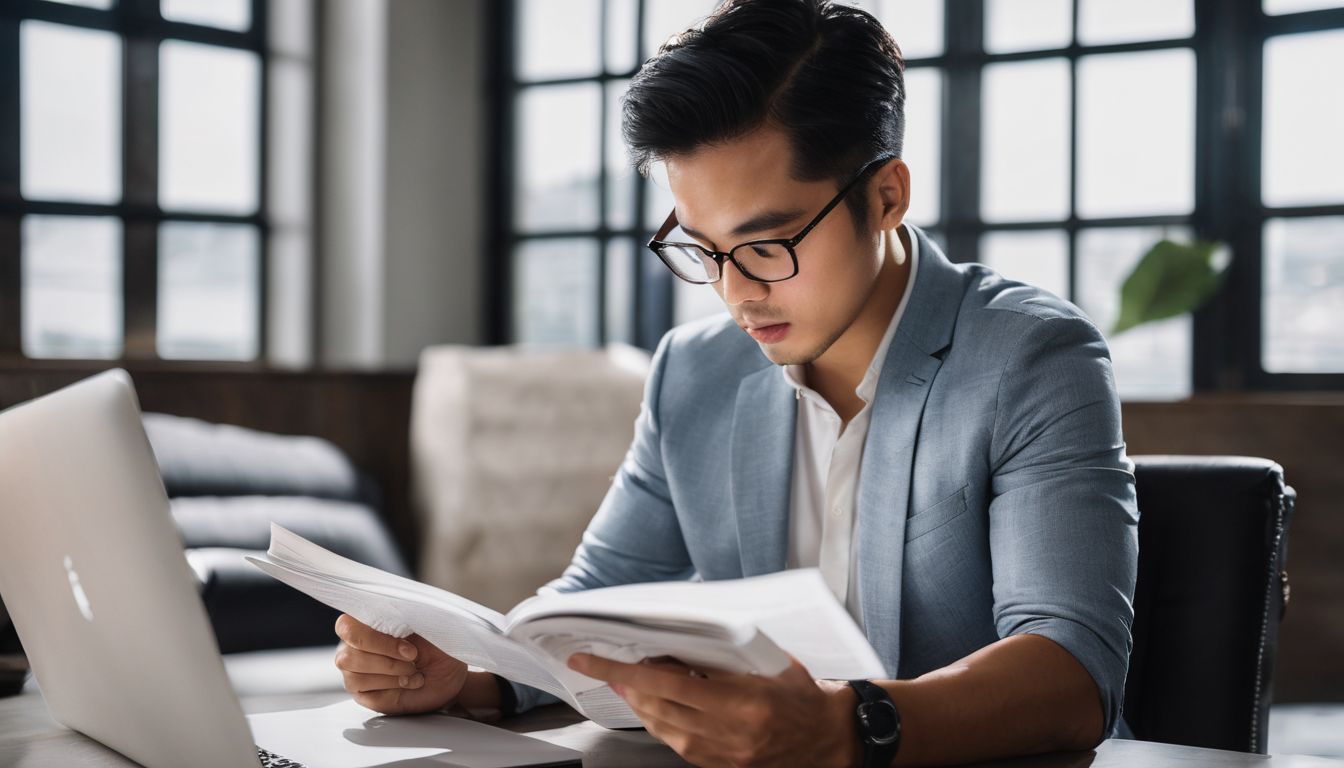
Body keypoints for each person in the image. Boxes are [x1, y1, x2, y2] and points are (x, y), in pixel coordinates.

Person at [332, 1, 1139, 765]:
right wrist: (474, 677)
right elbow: (591, 604)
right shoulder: (694, 372)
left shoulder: (1032, 357)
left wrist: (847, 730)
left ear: (886, 196)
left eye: (768, 244)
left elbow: (1070, 671)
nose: (736, 291)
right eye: (702, 248)